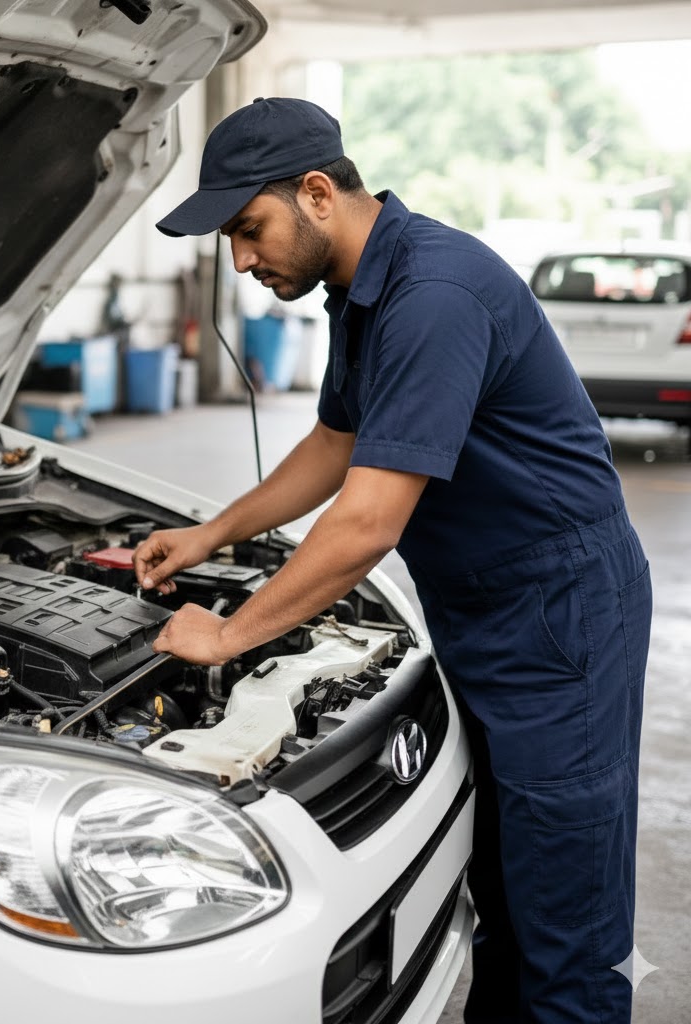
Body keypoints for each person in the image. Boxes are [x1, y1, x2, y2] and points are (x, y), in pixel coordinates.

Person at [134, 97, 651, 1024]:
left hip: (560, 612)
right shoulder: (362, 293)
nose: (243, 262)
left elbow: (367, 521)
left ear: (319, 193)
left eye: (248, 230)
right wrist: (211, 535)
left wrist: (231, 635)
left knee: (563, 929)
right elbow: (336, 446)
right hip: (483, 604)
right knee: (502, 893)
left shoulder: (433, 296)